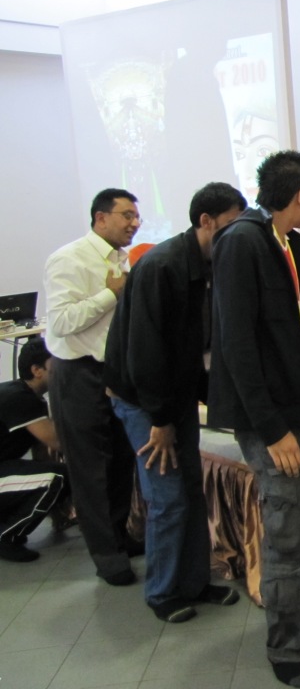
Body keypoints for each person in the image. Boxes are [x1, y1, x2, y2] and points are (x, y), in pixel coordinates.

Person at [207, 151, 300, 689]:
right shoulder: (242, 242)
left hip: (296, 410)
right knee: (288, 530)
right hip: (269, 418)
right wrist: (274, 427)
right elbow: (236, 343)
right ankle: (287, 649)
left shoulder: (286, 244)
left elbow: (295, 336)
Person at [104, 182, 246, 623]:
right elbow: (145, 354)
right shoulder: (161, 266)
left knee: (190, 492)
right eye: (230, 225)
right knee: (167, 498)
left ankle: (195, 582)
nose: (237, 235)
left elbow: (196, 347)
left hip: (174, 396)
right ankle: (162, 593)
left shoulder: (208, 265)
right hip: (144, 401)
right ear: (205, 221)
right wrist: (161, 421)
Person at [43, 188, 141, 585]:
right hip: (78, 373)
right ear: (100, 218)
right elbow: (62, 322)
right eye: (126, 216)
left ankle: (118, 536)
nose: (134, 223)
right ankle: (105, 554)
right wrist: (109, 293)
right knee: (90, 468)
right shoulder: (68, 259)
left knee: (120, 459)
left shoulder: (121, 258)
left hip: (114, 372)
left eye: (136, 216)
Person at [0, 339, 69, 563]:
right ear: (37, 370)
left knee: (56, 473)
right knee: (57, 477)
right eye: (56, 364)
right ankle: (6, 536)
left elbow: (44, 450)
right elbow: (58, 442)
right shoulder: (19, 398)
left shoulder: (24, 395)